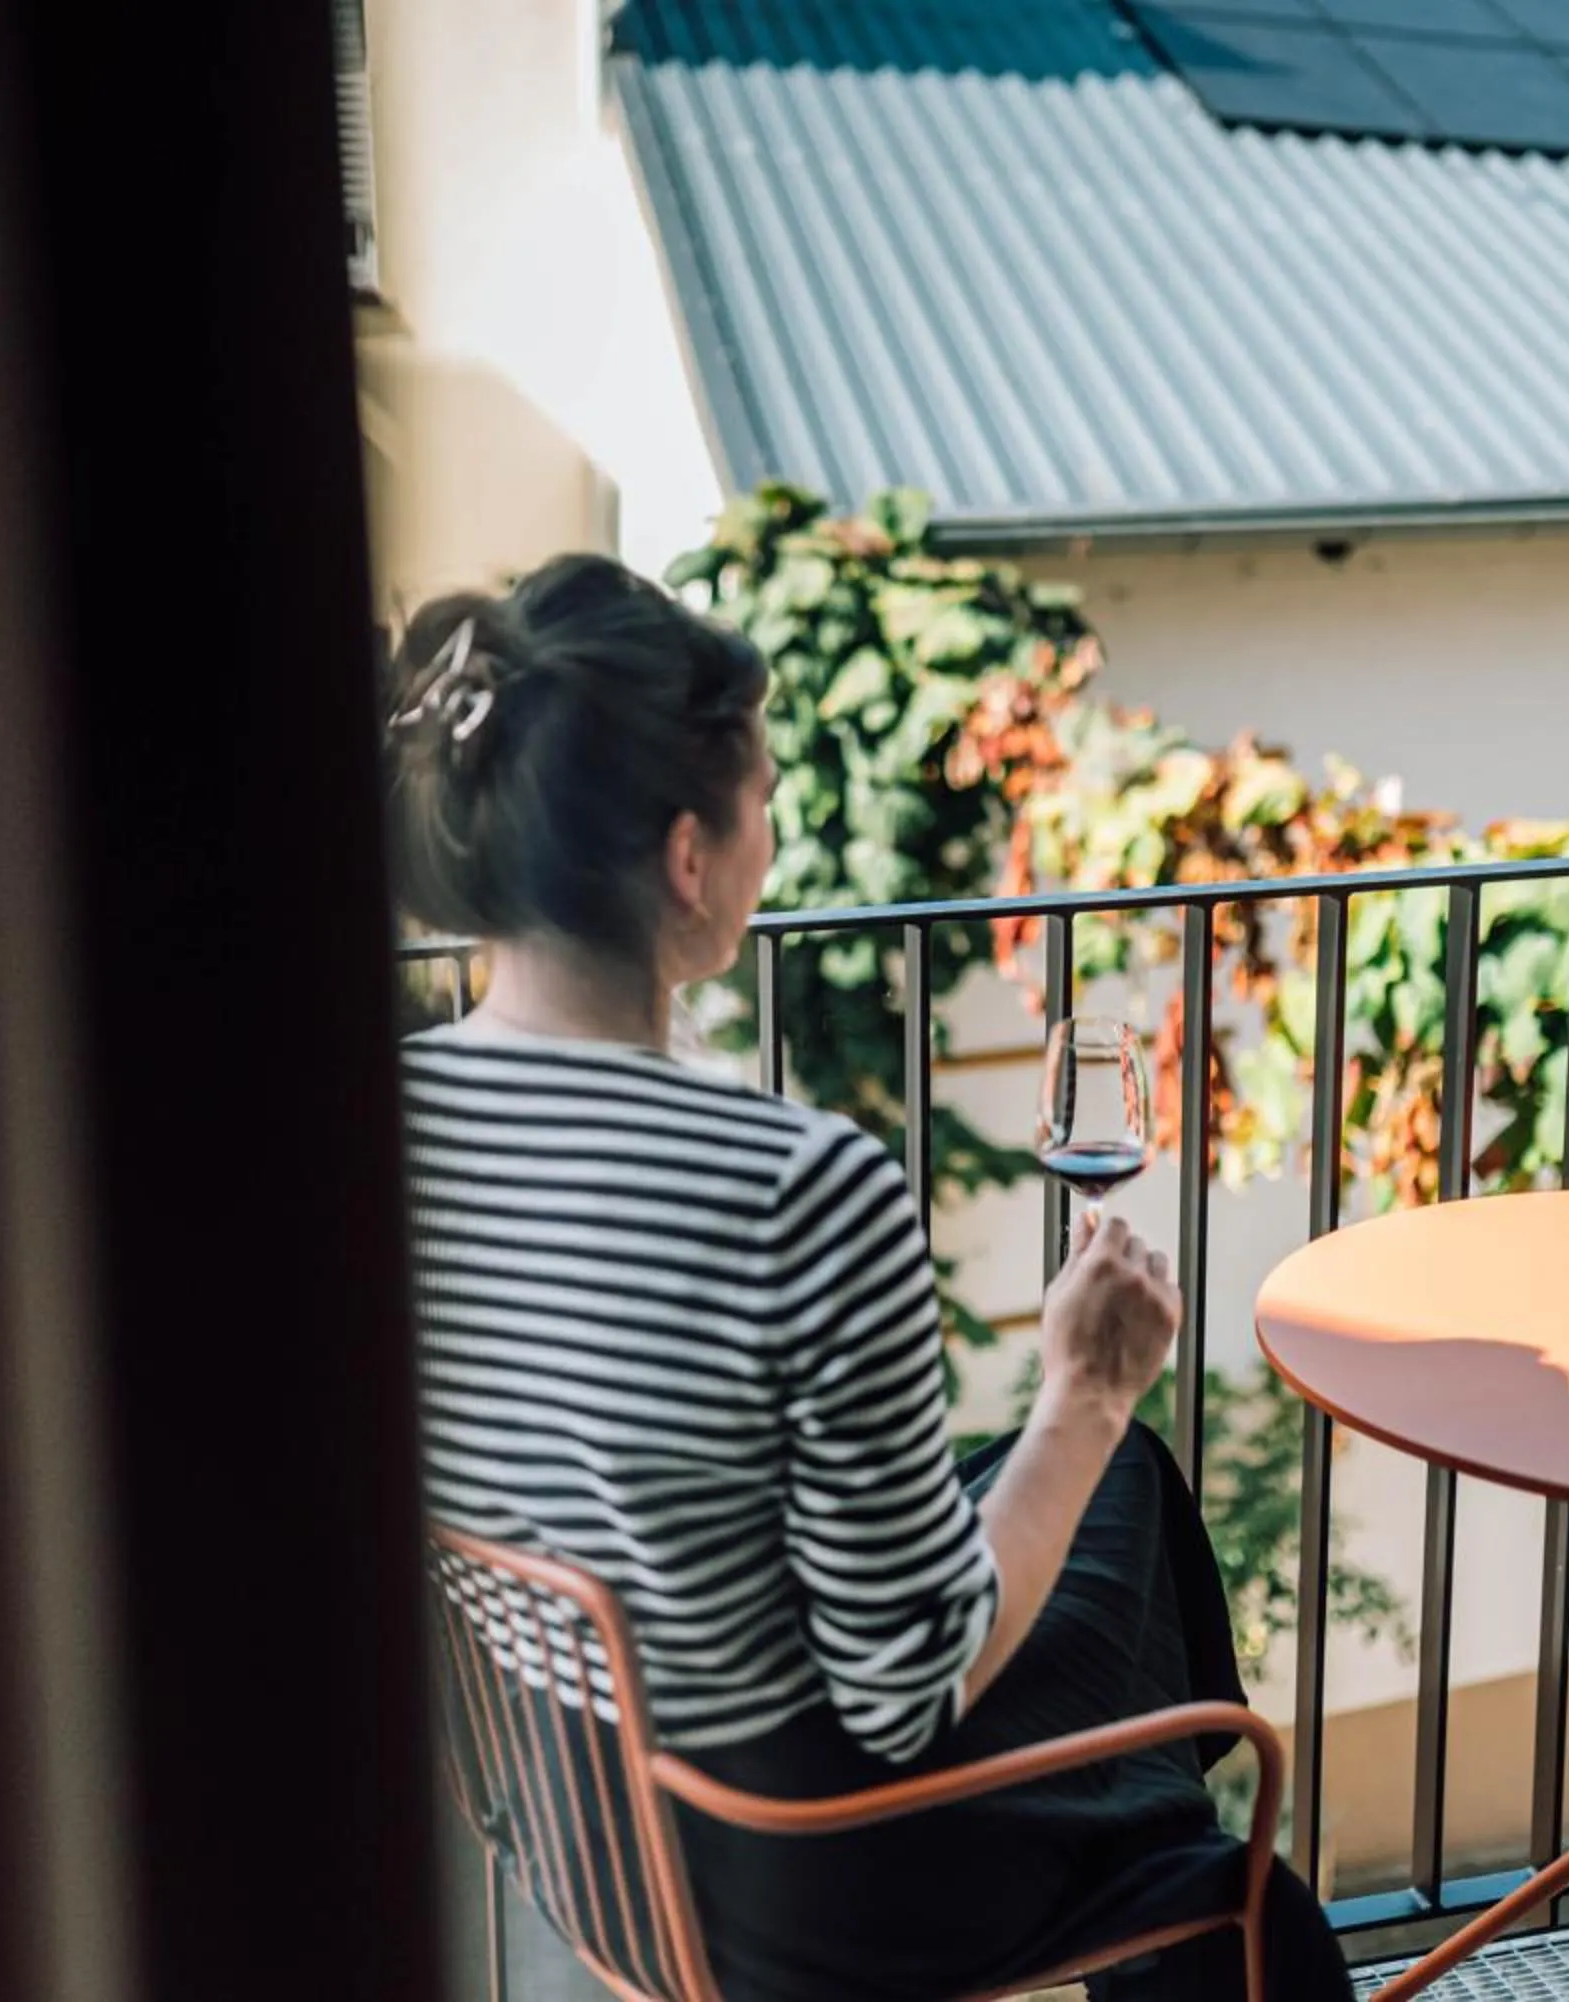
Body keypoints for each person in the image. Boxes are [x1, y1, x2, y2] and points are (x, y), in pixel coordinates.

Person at [391, 553, 1347, 2000]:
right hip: (804, 1870)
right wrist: (1084, 1384)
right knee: (1243, 1888)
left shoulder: (389, 1118)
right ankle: (1166, 1877)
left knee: (1129, 1487)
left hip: (579, 1818)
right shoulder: (792, 1182)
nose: (772, 834)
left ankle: (1148, 1831)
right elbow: (908, 1695)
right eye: (763, 795)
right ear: (687, 856)